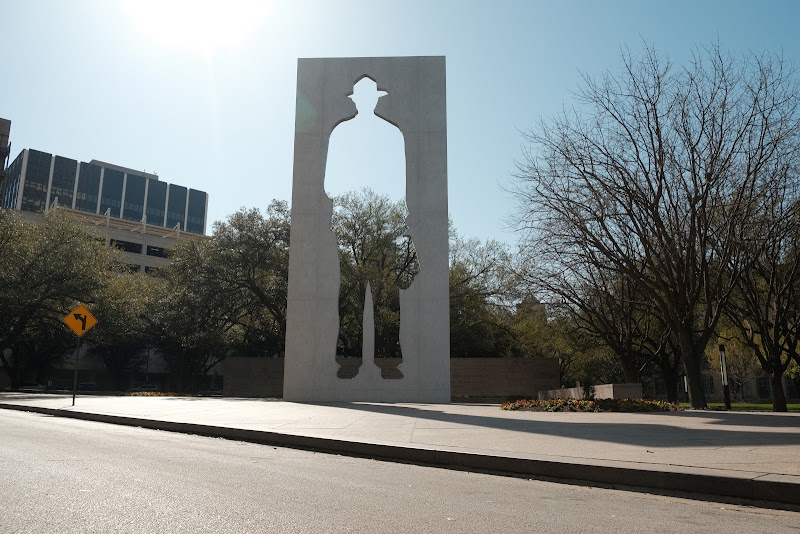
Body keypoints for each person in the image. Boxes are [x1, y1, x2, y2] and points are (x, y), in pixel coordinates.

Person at [324, 76, 417, 378]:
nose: (368, 101)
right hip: (347, 224)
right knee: (347, 297)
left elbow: (402, 179)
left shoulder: (392, 133)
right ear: (356, 100)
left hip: (386, 225)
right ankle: (345, 362)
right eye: (363, 97)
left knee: (387, 299)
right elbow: (331, 179)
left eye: (372, 97)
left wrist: (401, 218)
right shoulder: (341, 133)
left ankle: (383, 363)